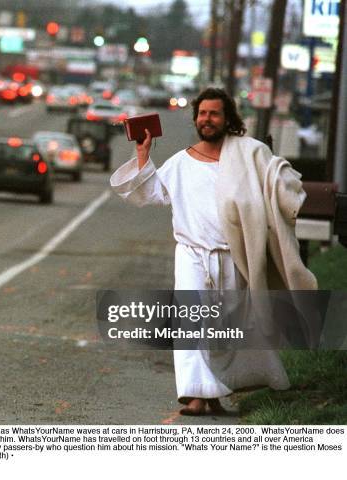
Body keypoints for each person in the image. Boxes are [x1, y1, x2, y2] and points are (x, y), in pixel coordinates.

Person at [110, 87, 317, 415]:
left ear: (227, 118)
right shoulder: (181, 163)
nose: (207, 119)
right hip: (192, 255)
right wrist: (143, 154)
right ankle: (194, 395)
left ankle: (216, 393)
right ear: (195, 118)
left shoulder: (248, 155)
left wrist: (281, 185)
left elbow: (280, 177)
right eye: (202, 114)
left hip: (234, 256)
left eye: (214, 113)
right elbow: (149, 193)